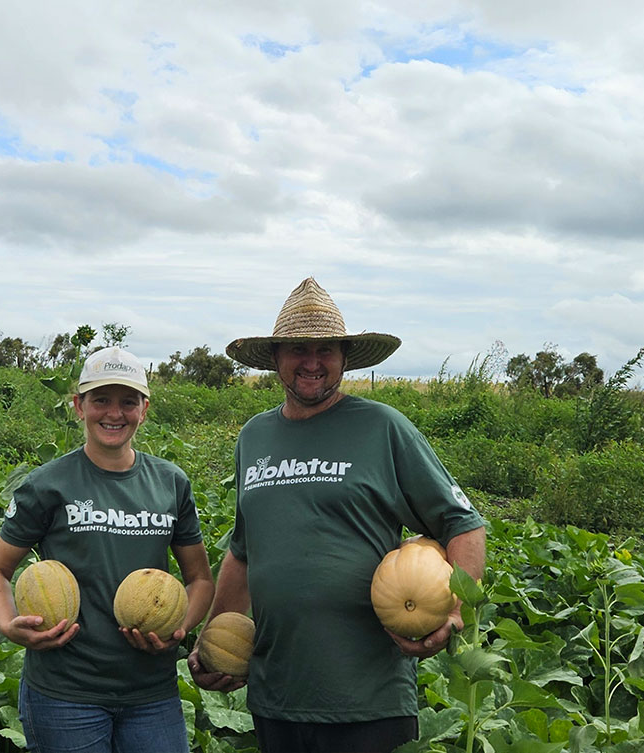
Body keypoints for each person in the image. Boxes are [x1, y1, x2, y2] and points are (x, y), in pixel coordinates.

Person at [189, 278, 486, 753]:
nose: (311, 361)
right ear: (276, 359)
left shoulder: (383, 427)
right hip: (276, 695)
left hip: (369, 700)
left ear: (345, 357)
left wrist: (453, 611)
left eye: (325, 349)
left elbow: (462, 523)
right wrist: (213, 639)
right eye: (297, 349)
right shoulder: (254, 437)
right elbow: (244, 555)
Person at [0, 346, 213, 753]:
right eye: (100, 400)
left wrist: (178, 629)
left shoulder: (171, 483)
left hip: (152, 692)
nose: (114, 413)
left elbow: (200, 579)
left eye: (128, 401)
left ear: (145, 408)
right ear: (78, 406)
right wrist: (7, 625)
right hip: (65, 693)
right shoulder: (47, 483)